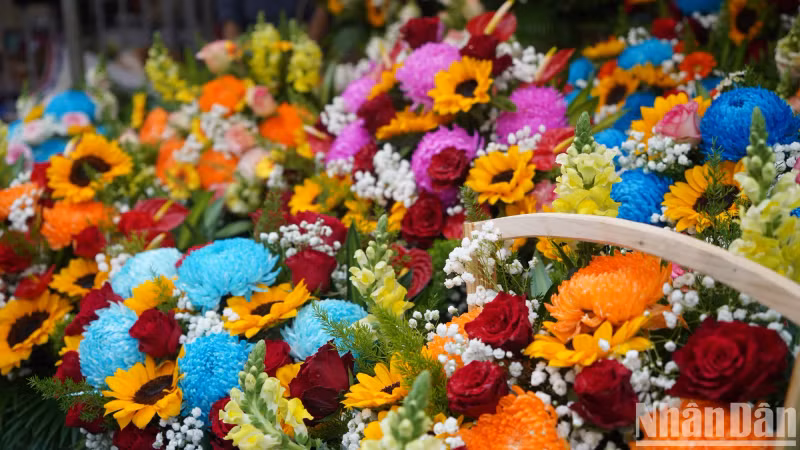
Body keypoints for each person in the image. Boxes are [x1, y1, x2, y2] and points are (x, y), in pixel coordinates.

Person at [217, 0, 327, 41]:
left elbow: (322, 9)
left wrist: (306, 53)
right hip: (251, 51)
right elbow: (230, 20)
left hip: (298, 47)